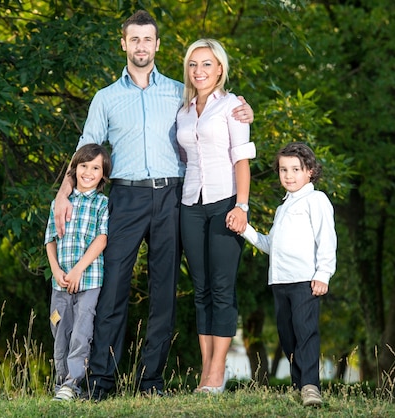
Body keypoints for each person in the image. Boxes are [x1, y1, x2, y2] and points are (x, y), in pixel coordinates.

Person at [53, 10, 254, 399]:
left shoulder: (180, 93)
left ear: (157, 45)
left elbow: (215, 116)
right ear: (124, 44)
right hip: (125, 197)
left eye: (148, 39)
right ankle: (101, 382)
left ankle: (151, 381)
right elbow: (85, 149)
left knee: (164, 291)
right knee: (112, 290)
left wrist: (243, 108)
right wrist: (64, 193)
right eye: (134, 40)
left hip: (171, 197)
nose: (141, 46)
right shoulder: (106, 98)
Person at [176, 38, 255, 394]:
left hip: (225, 203)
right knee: (201, 289)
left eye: (207, 64)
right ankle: (206, 369)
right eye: (194, 64)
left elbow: (241, 159)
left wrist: (242, 206)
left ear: (220, 69)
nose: (200, 71)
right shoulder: (183, 111)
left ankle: (218, 372)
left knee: (223, 289)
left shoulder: (233, 108)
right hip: (191, 205)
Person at [234, 142, 336, 407]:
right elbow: (271, 245)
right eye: (282, 170)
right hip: (280, 281)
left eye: (295, 169)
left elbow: (327, 239)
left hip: (305, 280)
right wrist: (245, 229)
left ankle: (311, 386)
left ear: (310, 171)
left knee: (305, 333)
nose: (288, 175)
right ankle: (298, 386)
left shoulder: (316, 200)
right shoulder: (282, 208)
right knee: (287, 336)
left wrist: (323, 273)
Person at [44, 144, 111, 401]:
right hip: (59, 282)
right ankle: (61, 382)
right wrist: (57, 270)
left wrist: (78, 270)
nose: (88, 172)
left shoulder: (102, 204)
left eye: (95, 168)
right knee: (59, 328)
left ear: (103, 174)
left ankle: (73, 383)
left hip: (88, 280)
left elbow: (101, 239)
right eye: (83, 166)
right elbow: (50, 238)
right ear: (74, 169)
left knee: (82, 331)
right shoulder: (60, 203)